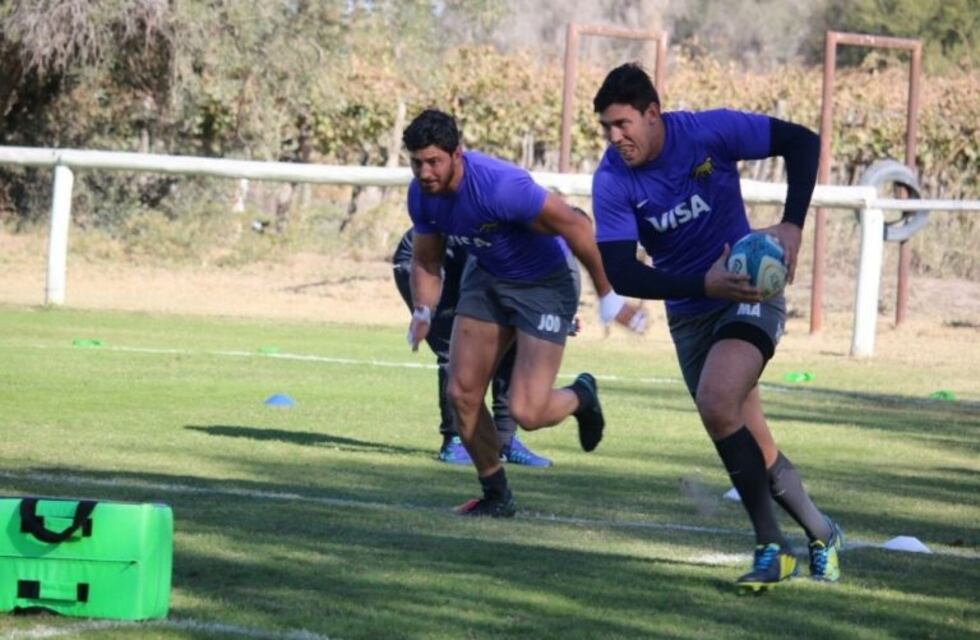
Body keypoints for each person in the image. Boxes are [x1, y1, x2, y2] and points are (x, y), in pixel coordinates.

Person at [590, 63, 842, 590]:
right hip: (691, 312)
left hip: (749, 292)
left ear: (652, 113)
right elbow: (621, 271)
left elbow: (801, 141)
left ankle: (773, 548)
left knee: (716, 400)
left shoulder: (708, 132)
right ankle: (823, 532)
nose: (615, 137)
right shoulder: (611, 179)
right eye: (606, 127)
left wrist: (793, 223)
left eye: (622, 124)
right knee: (749, 436)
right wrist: (703, 285)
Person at [403, 108, 643, 517]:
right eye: (416, 163)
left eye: (433, 162)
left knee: (527, 412)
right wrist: (423, 311)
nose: (425, 173)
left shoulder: (499, 186)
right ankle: (496, 495)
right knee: (462, 394)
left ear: (457, 154)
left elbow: (576, 226)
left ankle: (582, 395)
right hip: (488, 277)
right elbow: (426, 260)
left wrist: (608, 295)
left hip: (545, 282)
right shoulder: (421, 195)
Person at [392, 228, 553, 467]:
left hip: (469, 266)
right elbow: (481, 286)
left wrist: (556, 313)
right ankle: (455, 439)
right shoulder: (490, 226)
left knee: (514, 340)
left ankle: (505, 439)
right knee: (455, 350)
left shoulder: (541, 238)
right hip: (426, 264)